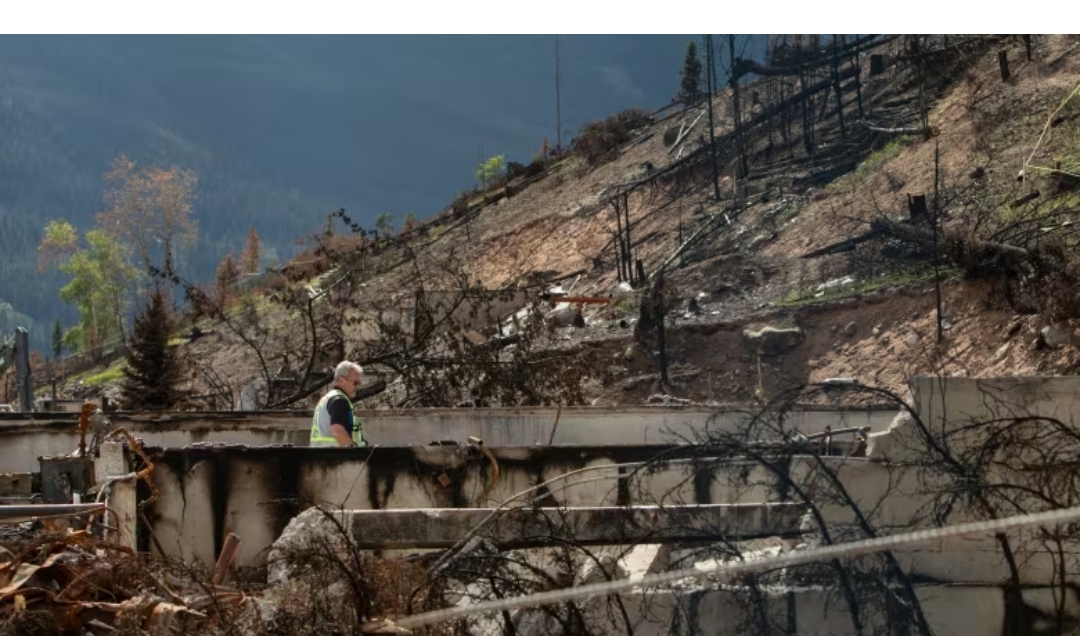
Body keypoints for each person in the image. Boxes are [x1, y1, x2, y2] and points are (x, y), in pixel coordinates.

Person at [309, 361, 366, 447]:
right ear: (341, 380)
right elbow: (338, 431)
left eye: (359, 383)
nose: (358, 386)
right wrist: (353, 454)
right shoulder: (339, 401)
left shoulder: (327, 398)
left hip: (320, 456)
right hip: (335, 457)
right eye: (355, 383)